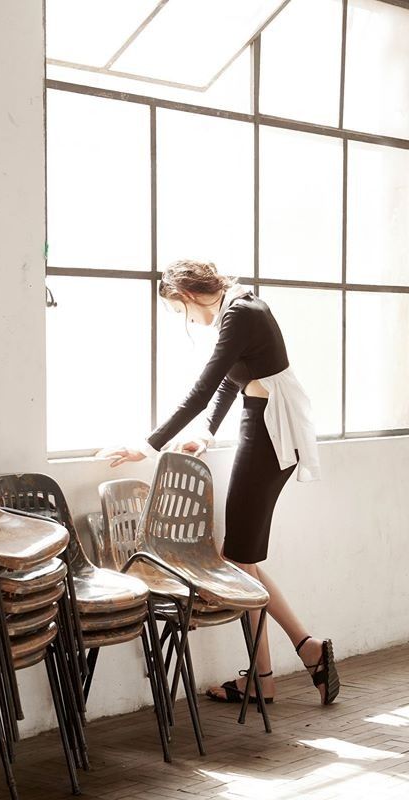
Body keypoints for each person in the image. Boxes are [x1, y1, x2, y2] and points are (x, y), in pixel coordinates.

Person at [104, 260, 339, 706]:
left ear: (189, 296)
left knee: (238, 559)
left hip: (270, 431)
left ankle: (274, 671)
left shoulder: (241, 313)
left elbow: (204, 387)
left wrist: (148, 446)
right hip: (263, 425)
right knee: (241, 560)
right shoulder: (242, 309)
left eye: (179, 311)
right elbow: (231, 383)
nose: (186, 320)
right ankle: (298, 655)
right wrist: (207, 433)